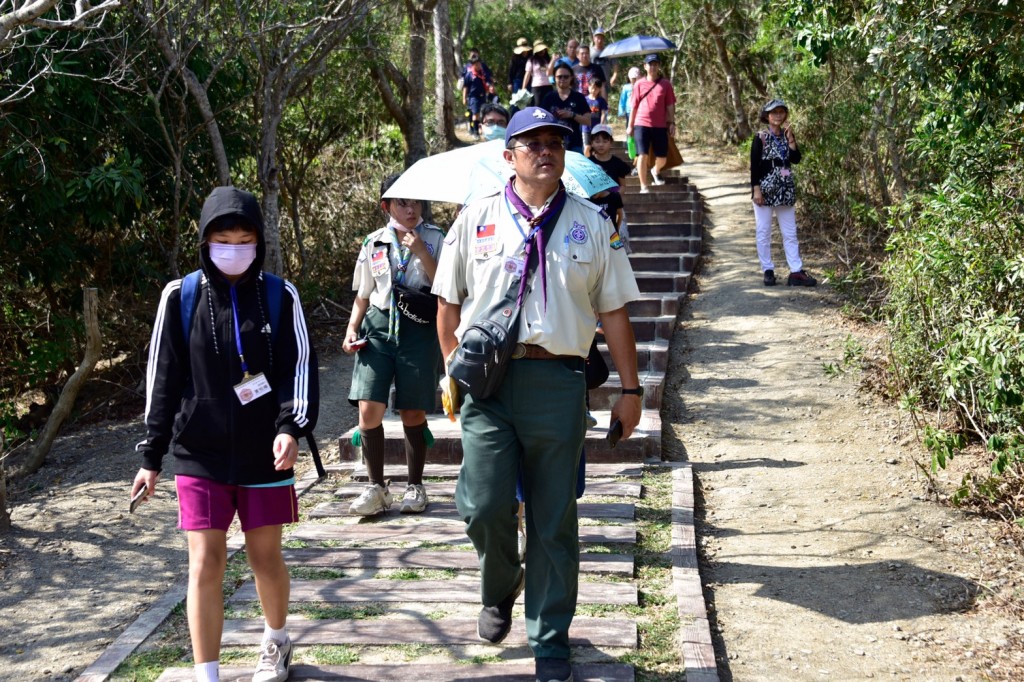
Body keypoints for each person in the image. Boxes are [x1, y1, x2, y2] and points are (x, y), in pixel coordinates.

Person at [432, 106, 642, 682]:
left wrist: (631, 388)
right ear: (509, 155)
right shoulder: (474, 219)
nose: (544, 151)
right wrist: (453, 368)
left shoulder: (593, 224)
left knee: (553, 517)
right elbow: (447, 305)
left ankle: (550, 636)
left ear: (565, 155)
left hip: (558, 381)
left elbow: (615, 312)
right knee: (482, 504)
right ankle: (500, 586)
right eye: (531, 142)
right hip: (488, 387)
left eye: (554, 142)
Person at [132, 186, 319, 682]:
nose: (233, 248)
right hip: (200, 452)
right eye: (223, 239)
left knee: (264, 557)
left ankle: (277, 640)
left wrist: (289, 427)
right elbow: (163, 377)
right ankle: (206, 674)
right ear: (204, 242)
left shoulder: (281, 295)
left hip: (266, 453)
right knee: (205, 563)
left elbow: (296, 368)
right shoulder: (181, 295)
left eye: (244, 238)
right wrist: (151, 457)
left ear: (259, 241)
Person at [343, 174, 446, 516]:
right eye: (402, 202)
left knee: (412, 410)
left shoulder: (434, 238)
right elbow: (363, 294)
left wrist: (420, 251)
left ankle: (415, 485)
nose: (411, 209)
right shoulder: (373, 243)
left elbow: (445, 284)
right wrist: (351, 328)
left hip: (419, 329)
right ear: (386, 206)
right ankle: (376, 487)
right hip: (378, 327)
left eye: (416, 202)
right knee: (368, 408)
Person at [751, 99, 817, 287]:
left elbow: (795, 159)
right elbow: (754, 166)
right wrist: (756, 189)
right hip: (764, 189)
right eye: (774, 112)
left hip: (785, 189)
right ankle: (768, 270)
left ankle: (795, 271)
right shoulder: (761, 136)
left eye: (781, 112)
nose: (778, 115)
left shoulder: (786, 136)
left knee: (790, 232)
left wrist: (791, 139)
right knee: (763, 231)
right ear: (767, 116)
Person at [626, 53, 676, 194]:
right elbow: (634, 106)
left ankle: (656, 170)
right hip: (641, 123)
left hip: (659, 125)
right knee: (642, 155)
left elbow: (670, 105)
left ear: (658, 66)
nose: (653, 67)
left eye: (655, 64)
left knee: (662, 157)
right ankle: (643, 186)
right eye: (650, 64)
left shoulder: (665, 84)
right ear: (645, 66)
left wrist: (671, 122)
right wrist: (630, 126)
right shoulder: (639, 84)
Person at [541, 63, 591, 154]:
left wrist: (572, 115)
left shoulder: (578, 97)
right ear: (554, 78)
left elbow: (588, 121)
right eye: (559, 77)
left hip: (574, 143)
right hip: (552, 143)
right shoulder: (548, 97)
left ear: (571, 77)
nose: (562, 79)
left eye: (566, 77)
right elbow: (541, 120)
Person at [463, 56, 495, 139]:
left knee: (484, 113)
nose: (479, 65)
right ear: (473, 65)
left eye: (479, 64)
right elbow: (465, 87)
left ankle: (484, 131)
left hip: (483, 96)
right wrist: (464, 98)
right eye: (476, 64)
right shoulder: (469, 75)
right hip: (474, 97)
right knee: (475, 113)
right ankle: (475, 131)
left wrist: (491, 86)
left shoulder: (483, 73)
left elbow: (489, 81)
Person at [582, 78, 608, 158]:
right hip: (586, 128)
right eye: (592, 88)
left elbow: (603, 113)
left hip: (597, 128)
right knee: (587, 147)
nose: (593, 90)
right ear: (588, 87)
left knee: (595, 148)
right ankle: (586, 161)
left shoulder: (601, 101)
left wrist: (602, 124)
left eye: (596, 88)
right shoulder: (584, 100)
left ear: (599, 89)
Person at [524, 40, 553, 107]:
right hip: (537, 87)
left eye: (543, 50)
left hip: (548, 86)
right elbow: (527, 75)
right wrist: (524, 87)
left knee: (549, 105)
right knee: (537, 105)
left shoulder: (548, 60)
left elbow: (551, 73)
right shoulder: (531, 60)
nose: (542, 52)